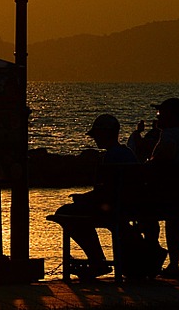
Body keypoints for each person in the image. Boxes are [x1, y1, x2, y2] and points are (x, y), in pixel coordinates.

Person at [54, 114, 138, 280]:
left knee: (64, 212)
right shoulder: (128, 153)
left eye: (97, 136)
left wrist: (83, 198)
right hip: (128, 206)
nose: (95, 140)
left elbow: (105, 192)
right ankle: (97, 260)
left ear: (105, 134)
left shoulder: (110, 157)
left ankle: (97, 259)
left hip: (112, 208)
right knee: (74, 211)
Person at [143, 97, 179, 277]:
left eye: (160, 113)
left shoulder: (169, 136)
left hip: (172, 198)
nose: (157, 117)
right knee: (169, 213)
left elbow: (159, 163)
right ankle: (170, 261)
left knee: (143, 211)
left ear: (170, 116)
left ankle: (150, 256)